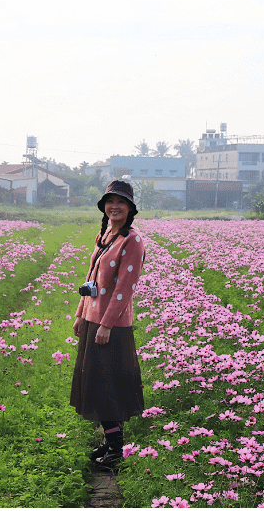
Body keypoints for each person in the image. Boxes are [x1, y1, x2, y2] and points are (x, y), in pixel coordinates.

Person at [70, 180, 146, 469]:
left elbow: (124, 289)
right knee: (96, 383)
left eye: (121, 202)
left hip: (109, 325)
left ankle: (116, 450)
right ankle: (111, 443)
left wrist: (106, 324)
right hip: (92, 318)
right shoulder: (104, 236)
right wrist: (80, 313)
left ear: (130, 208)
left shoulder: (132, 240)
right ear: (104, 206)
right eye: (110, 201)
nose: (114, 206)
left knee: (107, 385)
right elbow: (91, 278)